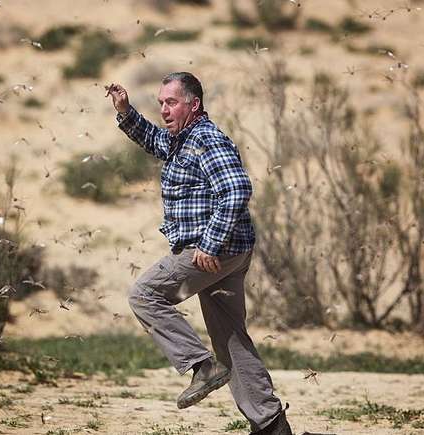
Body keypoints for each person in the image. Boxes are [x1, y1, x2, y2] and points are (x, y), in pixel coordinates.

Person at [107, 72, 292, 435]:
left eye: (171, 102)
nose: (163, 109)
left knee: (144, 294)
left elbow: (237, 189)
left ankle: (201, 366)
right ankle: (271, 425)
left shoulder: (206, 139)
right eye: (161, 102)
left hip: (211, 253)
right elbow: (156, 141)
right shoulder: (182, 139)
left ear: (194, 104)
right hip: (229, 251)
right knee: (231, 339)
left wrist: (209, 243)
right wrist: (127, 112)